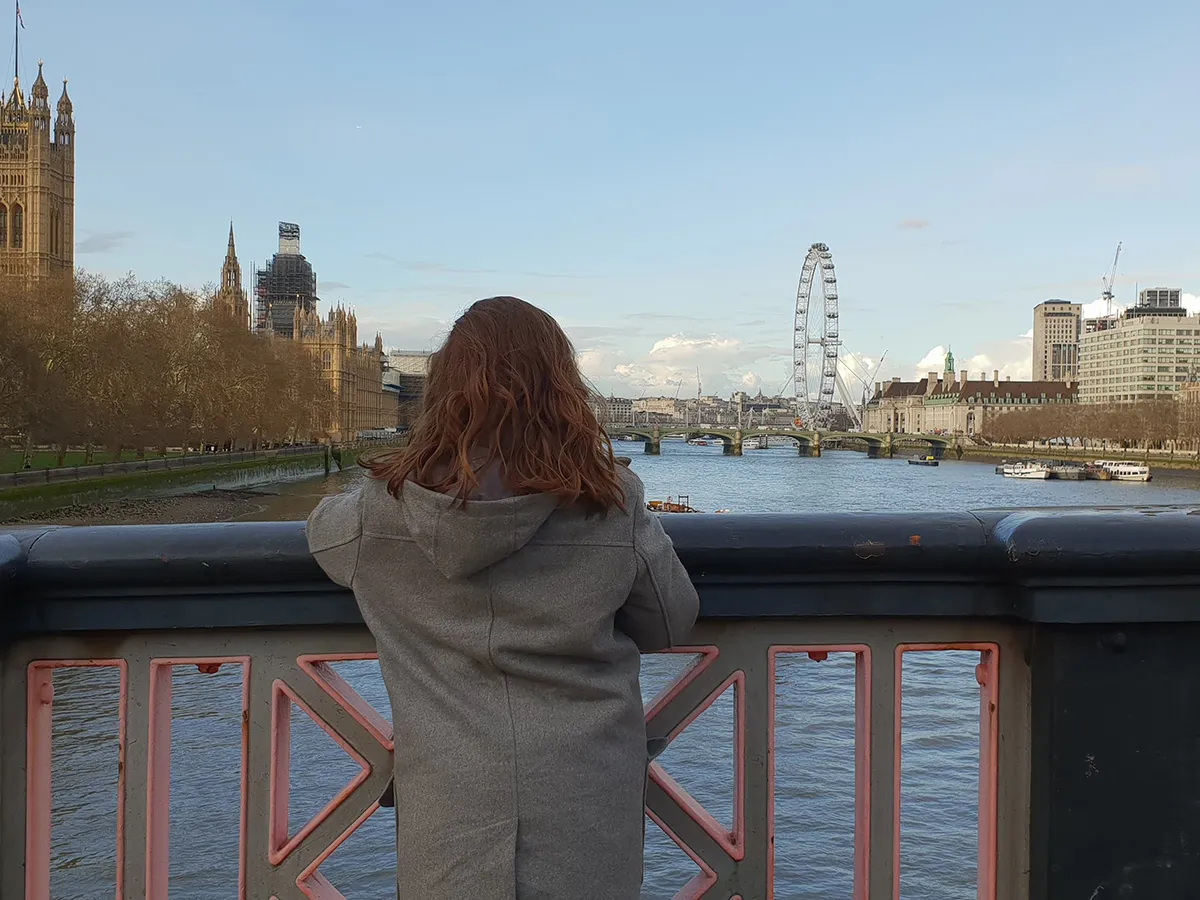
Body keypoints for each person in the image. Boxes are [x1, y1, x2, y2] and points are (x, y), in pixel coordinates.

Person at [306, 296, 700, 900]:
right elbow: (672, 619)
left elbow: (321, 535)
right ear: (562, 390)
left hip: (449, 808)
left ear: (442, 392)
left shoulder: (378, 513)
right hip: (587, 800)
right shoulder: (610, 501)